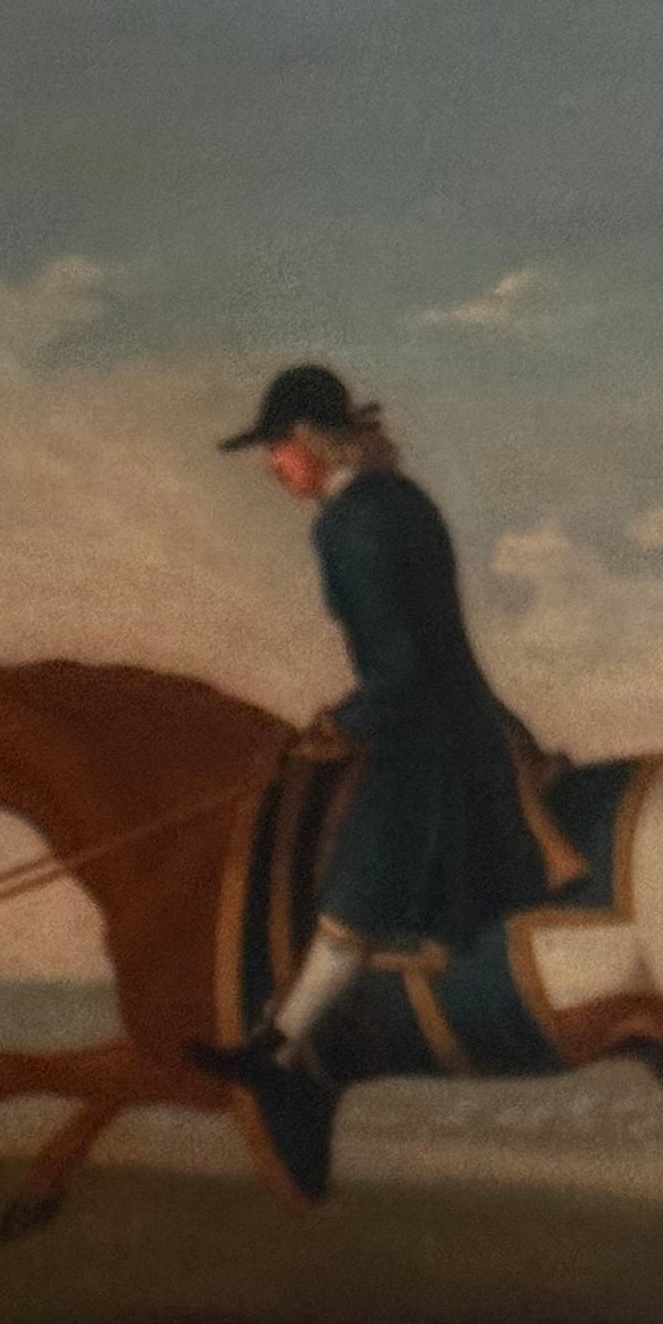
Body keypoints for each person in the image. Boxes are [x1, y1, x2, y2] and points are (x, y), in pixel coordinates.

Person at [192, 364, 576, 1085]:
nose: (270, 465)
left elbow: (398, 664)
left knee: (356, 891)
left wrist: (343, 723)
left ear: (310, 442)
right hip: (472, 719)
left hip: (424, 738)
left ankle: (277, 1046)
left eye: (276, 447)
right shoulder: (402, 500)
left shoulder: (348, 523)